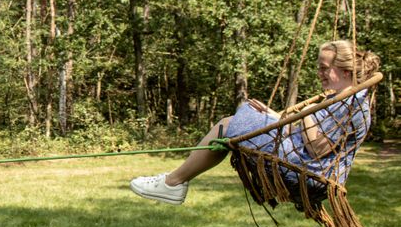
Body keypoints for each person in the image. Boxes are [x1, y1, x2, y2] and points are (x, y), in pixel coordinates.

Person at [130, 40, 380, 205]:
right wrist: (276, 117)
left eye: (325, 68)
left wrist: (309, 113)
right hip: (301, 161)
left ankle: (173, 183)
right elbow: (309, 136)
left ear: (346, 72)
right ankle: (175, 181)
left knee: (228, 126)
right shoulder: (340, 99)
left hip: (309, 174)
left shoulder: (353, 105)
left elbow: (317, 148)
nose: (320, 73)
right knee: (244, 114)